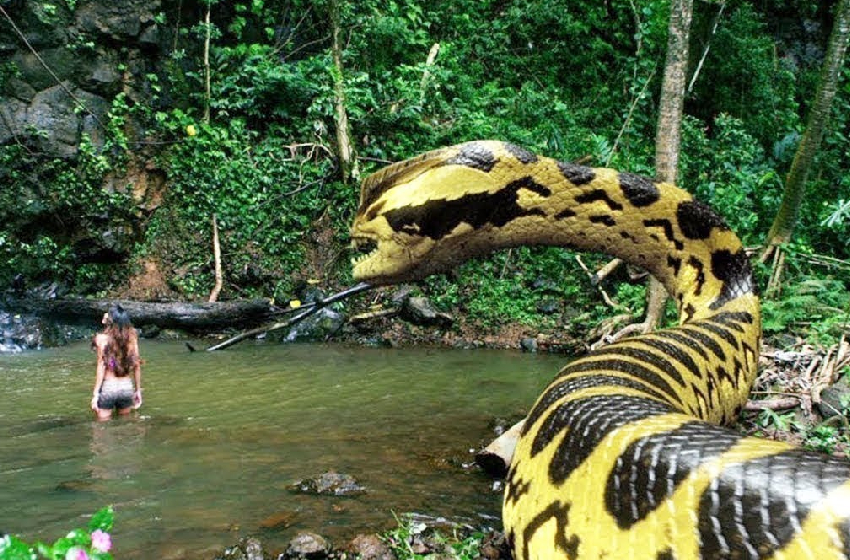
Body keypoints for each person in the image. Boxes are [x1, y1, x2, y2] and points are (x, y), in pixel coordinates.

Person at [91, 305, 142, 420]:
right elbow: (137, 365)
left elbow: (102, 365)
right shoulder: (132, 337)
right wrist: (138, 390)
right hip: (126, 387)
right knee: (125, 424)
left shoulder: (101, 339)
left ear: (110, 320)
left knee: (102, 428)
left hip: (109, 387)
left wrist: (96, 394)